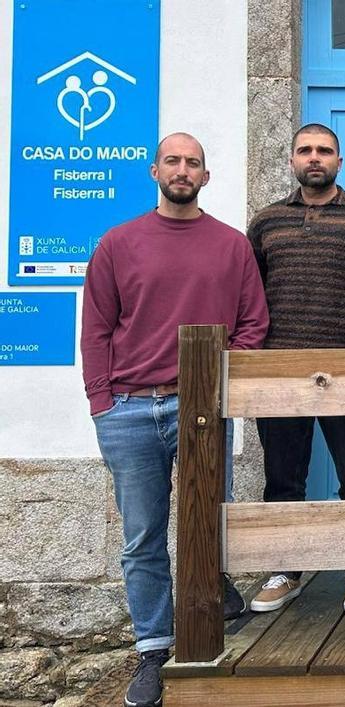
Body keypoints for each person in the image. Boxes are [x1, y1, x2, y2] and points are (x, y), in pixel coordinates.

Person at [81, 132, 269, 707]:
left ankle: (204, 632)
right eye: (173, 161)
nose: (182, 170)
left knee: (209, 523)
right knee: (142, 538)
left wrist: (218, 389)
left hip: (202, 407)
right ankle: (153, 651)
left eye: (193, 163)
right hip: (130, 408)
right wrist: (101, 403)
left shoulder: (232, 246)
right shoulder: (118, 243)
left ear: (206, 177)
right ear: (154, 170)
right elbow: (96, 329)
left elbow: (252, 326)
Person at [246, 124, 345, 615]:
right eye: (305, 150)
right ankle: (287, 567)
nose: (314, 158)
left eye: (324, 151)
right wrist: (263, 360)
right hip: (281, 375)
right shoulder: (266, 223)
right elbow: (251, 298)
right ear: (292, 160)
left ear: (339, 162)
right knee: (283, 479)